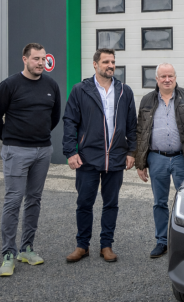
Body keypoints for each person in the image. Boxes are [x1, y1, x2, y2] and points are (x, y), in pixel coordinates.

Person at [0, 43, 61, 277]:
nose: (40, 63)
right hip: (16, 151)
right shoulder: (9, 85)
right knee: (13, 200)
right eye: (36, 59)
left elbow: (54, 117)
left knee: (34, 199)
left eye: (43, 59)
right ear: (25, 59)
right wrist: (10, 139)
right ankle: (8, 253)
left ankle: (26, 248)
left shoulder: (51, 85)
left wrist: (39, 137)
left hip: (43, 151)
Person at [62, 49, 137, 263]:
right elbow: (70, 121)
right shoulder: (80, 90)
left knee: (111, 204)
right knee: (84, 203)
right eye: (105, 62)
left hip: (116, 157)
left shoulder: (124, 91)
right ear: (95, 64)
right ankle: (82, 245)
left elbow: (132, 124)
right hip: (88, 157)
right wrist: (71, 151)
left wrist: (131, 151)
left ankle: (106, 245)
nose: (110, 65)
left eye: (112, 61)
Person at [135, 63, 184, 258]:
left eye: (170, 76)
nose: (167, 80)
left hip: (182, 159)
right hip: (157, 158)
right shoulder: (147, 100)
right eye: (163, 76)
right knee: (159, 202)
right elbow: (141, 131)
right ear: (157, 79)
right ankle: (162, 241)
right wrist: (140, 163)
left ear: (175, 77)